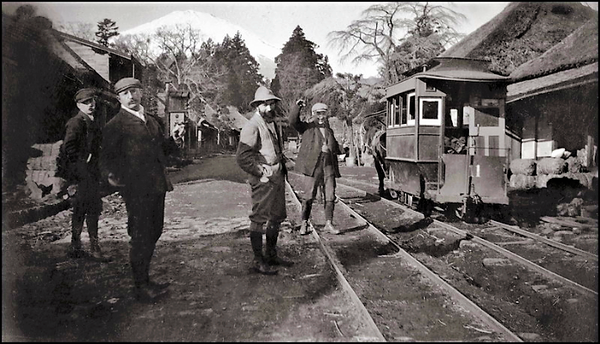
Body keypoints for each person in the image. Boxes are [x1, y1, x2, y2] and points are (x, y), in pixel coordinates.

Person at [99, 77, 173, 302]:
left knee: (155, 231)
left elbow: (162, 149)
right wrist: (113, 178)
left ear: (141, 93)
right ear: (119, 98)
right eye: (125, 93)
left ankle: (146, 279)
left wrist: (174, 141)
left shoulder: (151, 121)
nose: (131, 96)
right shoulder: (115, 125)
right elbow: (106, 159)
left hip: (157, 185)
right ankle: (140, 286)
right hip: (136, 189)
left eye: (134, 91)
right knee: (140, 235)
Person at [236, 86, 293, 275]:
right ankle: (258, 260)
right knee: (259, 219)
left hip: (277, 177)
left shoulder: (273, 123)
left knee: (276, 217)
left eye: (271, 104)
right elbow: (243, 157)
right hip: (262, 179)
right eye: (265, 105)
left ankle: (271, 255)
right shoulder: (252, 126)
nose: (269, 108)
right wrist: (260, 170)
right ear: (257, 106)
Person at [62, 87, 109, 261]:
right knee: (88, 210)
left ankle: (77, 247)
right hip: (83, 175)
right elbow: (69, 148)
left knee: (85, 210)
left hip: (92, 174)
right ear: (78, 105)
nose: (90, 105)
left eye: (92, 101)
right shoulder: (76, 122)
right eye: (85, 102)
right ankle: (92, 249)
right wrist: (84, 162)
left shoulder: (93, 121)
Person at [289, 100, 342, 235]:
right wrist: (298, 106)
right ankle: (304, 223)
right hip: (313, 167)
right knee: (309, 196)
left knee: (330, 195)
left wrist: (333, 149)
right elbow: (293, 121)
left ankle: (329, 223)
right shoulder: (307, 128)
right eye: (318, 114)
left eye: (323, 114)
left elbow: (335, 147)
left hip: (328, 167)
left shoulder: (329, 130)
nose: (321, 117)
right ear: (313, 114)